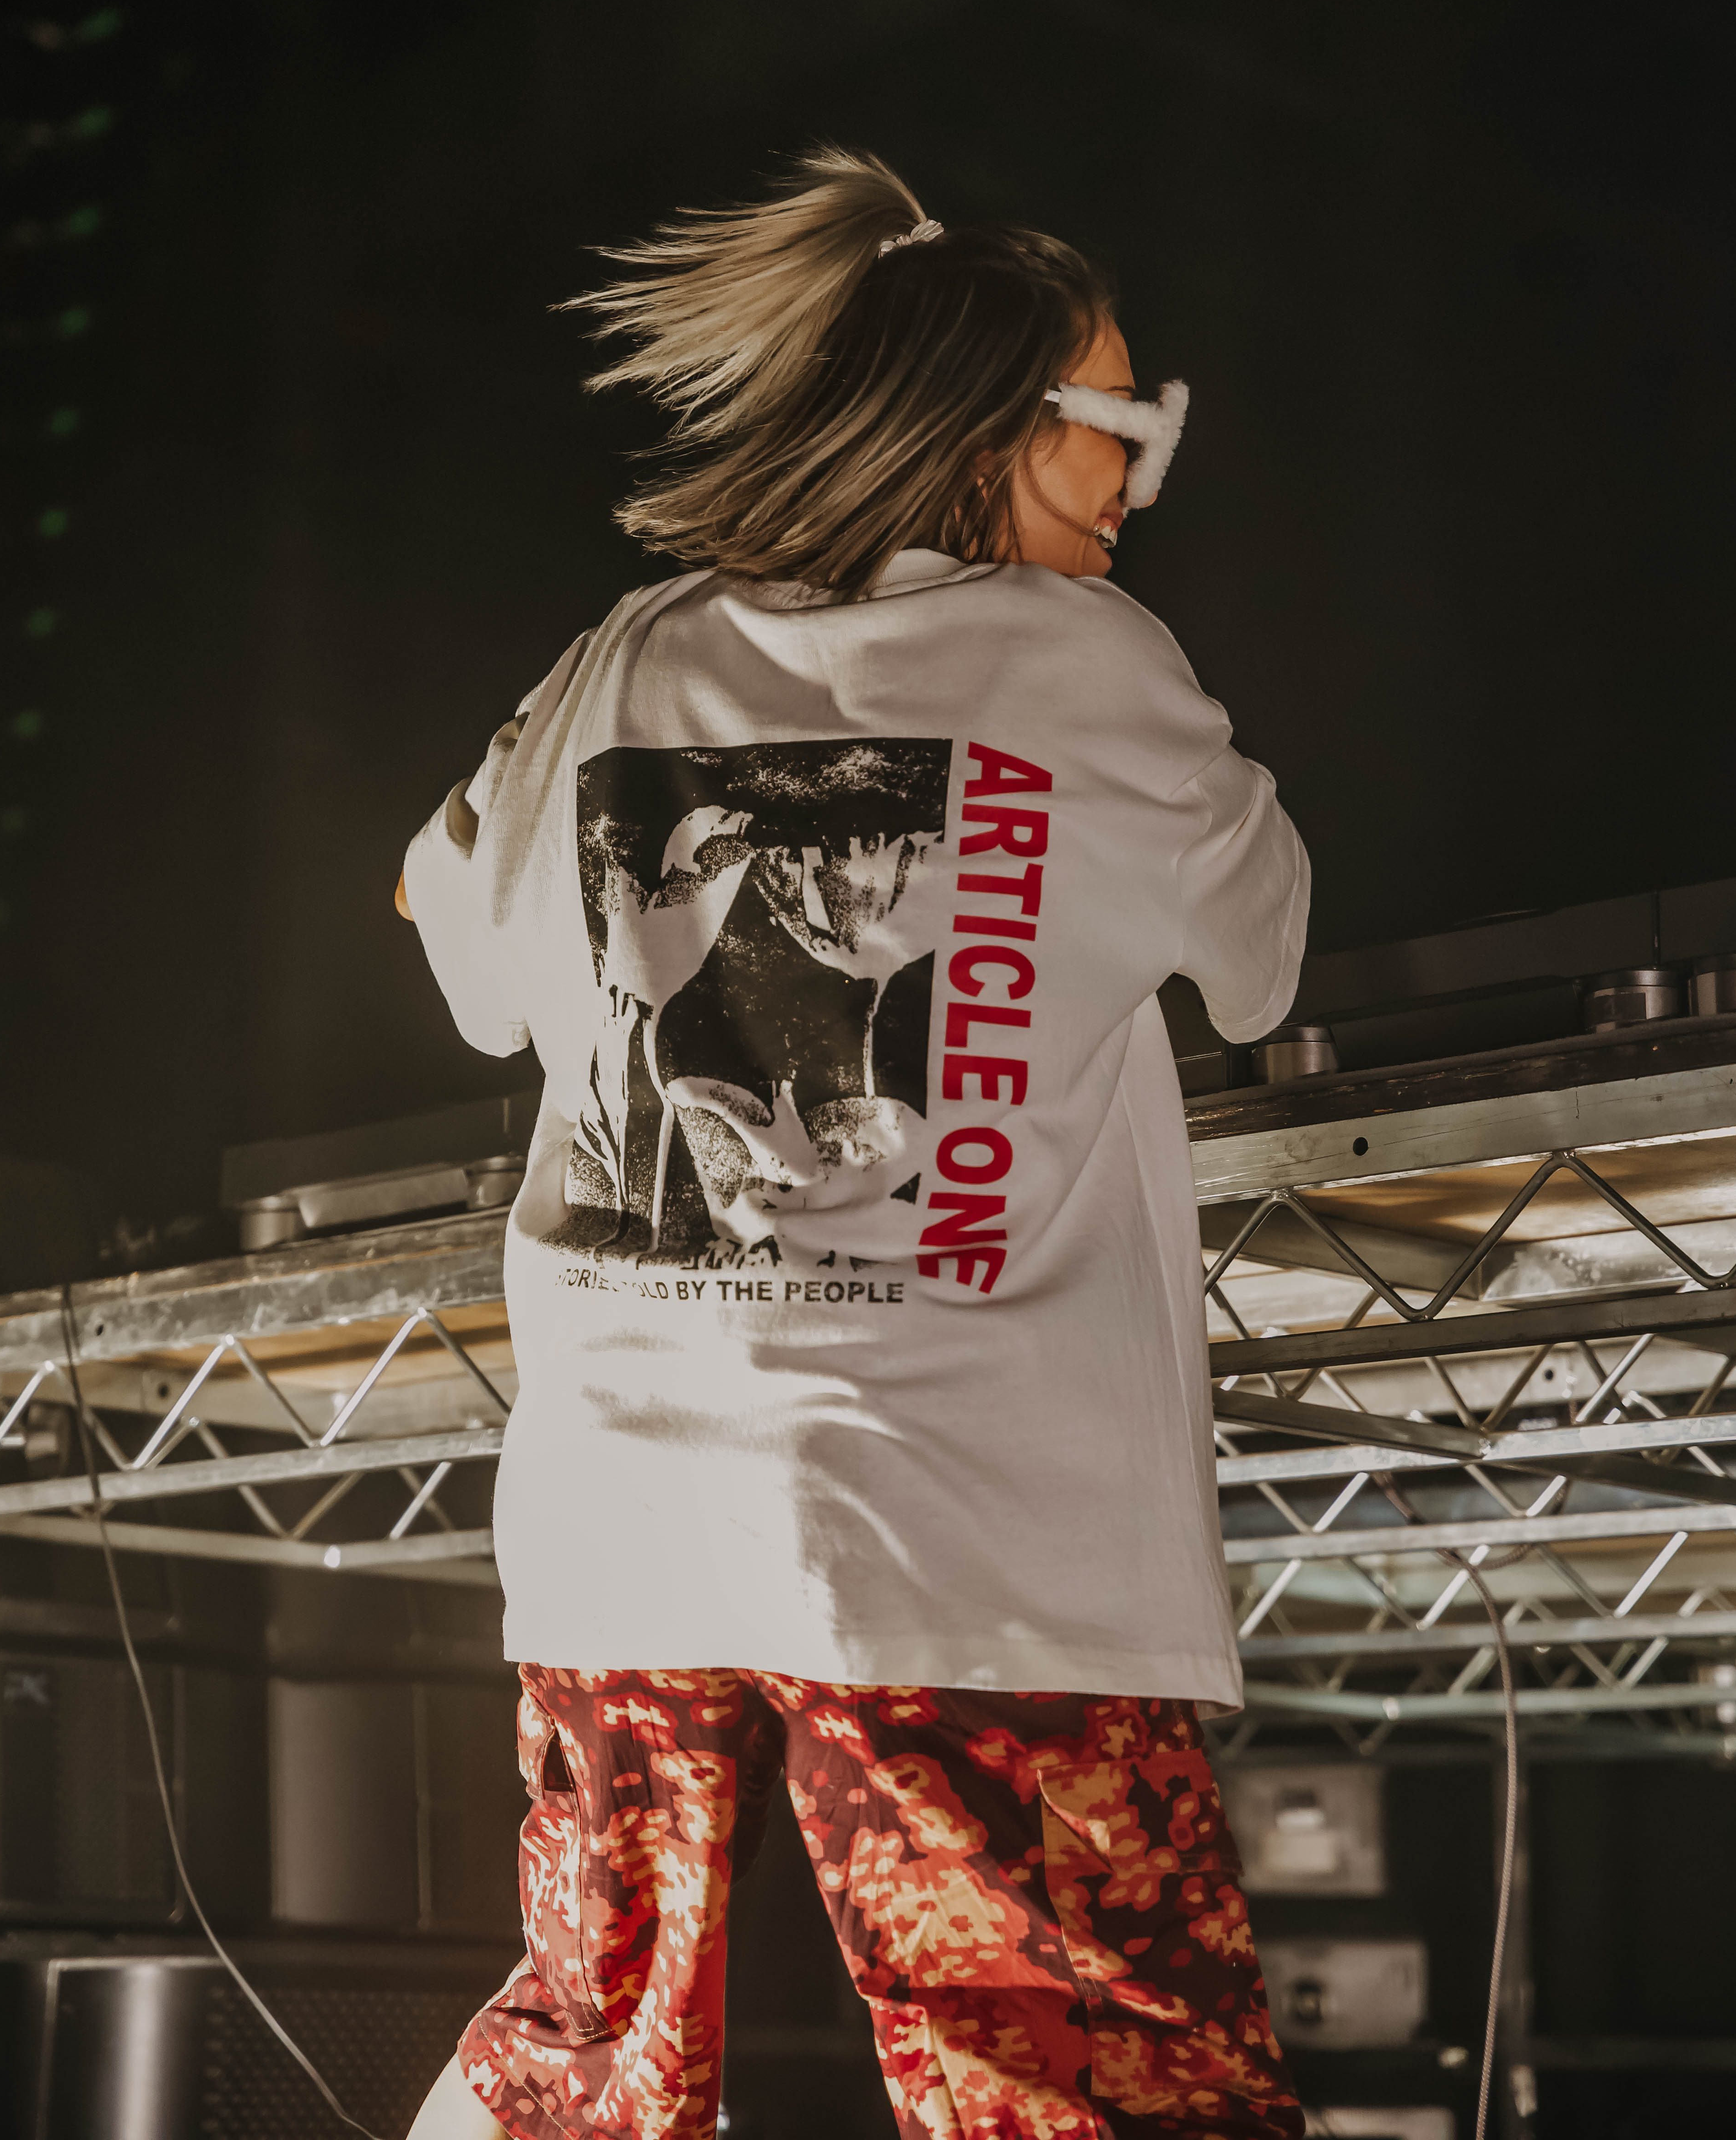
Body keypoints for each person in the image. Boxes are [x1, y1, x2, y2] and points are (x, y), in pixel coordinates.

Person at [398, 150, 1308, 2140]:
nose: (1137, 483)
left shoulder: (620, 658)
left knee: (585, 2065)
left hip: (624, 1529)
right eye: (1114, 427)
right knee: (1085, 2078)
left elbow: (461, 958)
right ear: (984, 432)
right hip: (972, 1537)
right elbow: (1258, 962)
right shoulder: (1095, 670)